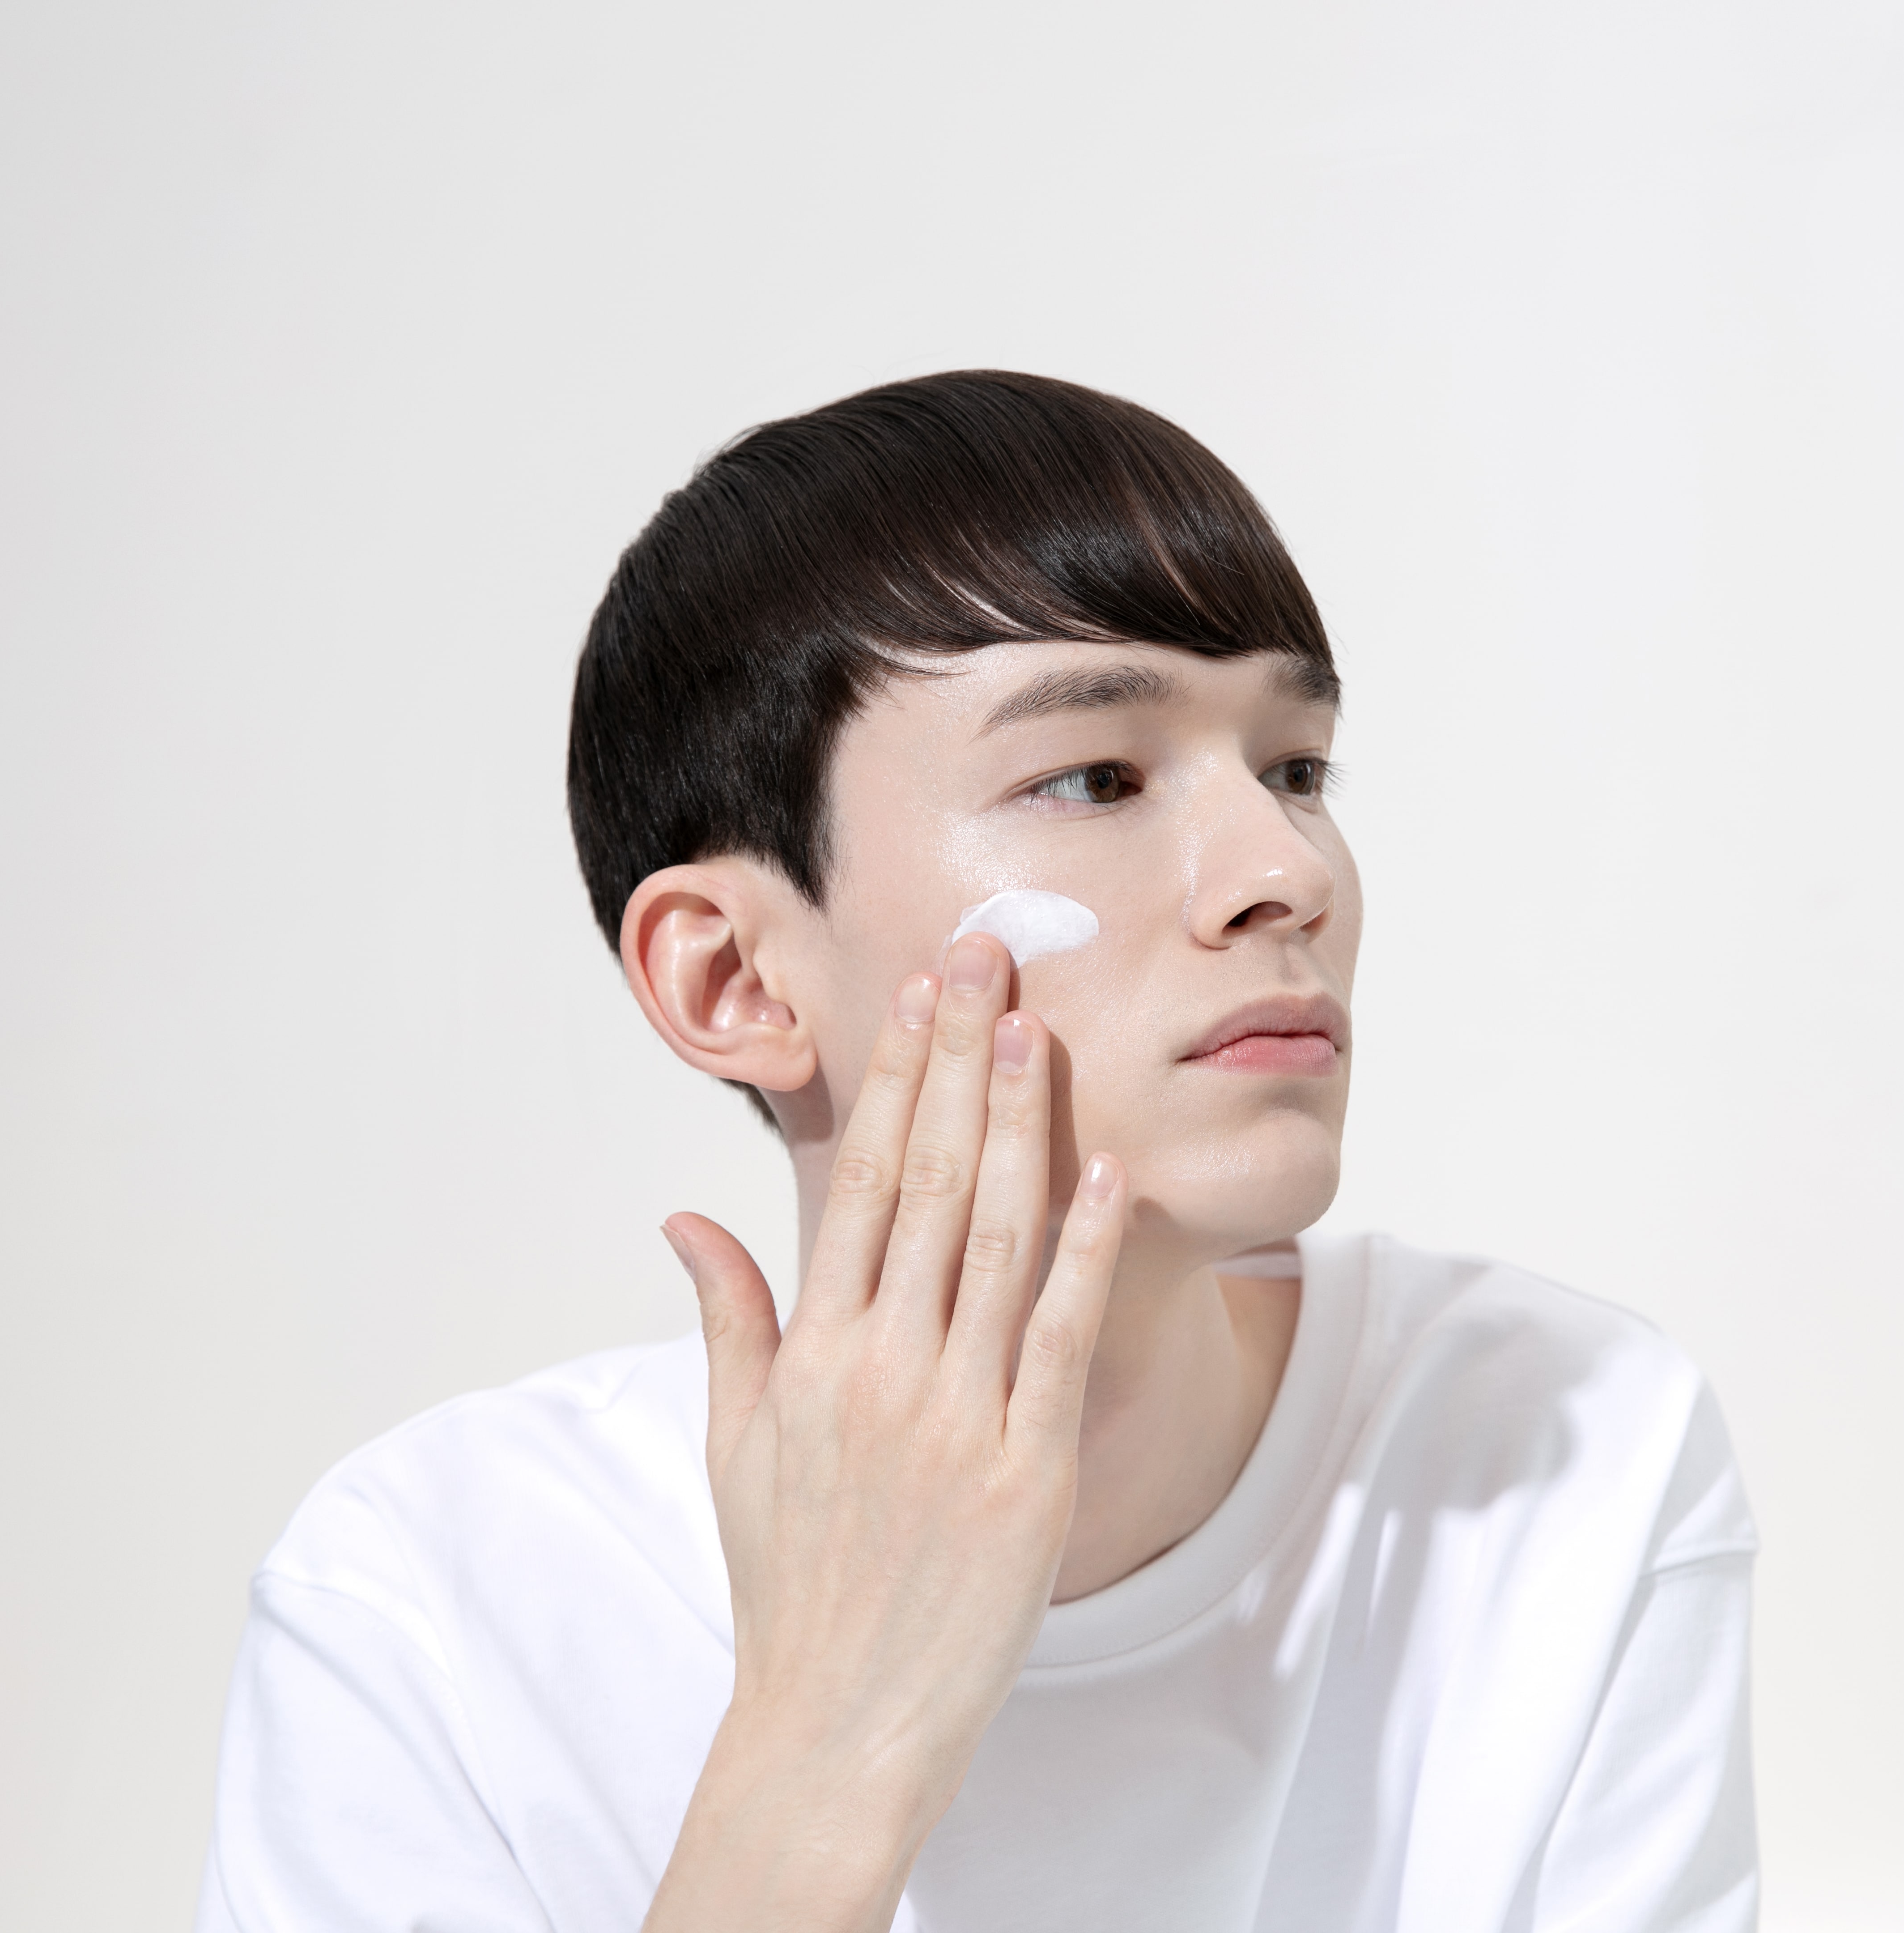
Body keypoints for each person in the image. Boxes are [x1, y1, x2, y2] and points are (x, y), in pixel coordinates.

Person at [196, 371, 1760, 1933]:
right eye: (1095, 779)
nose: (1287, 873)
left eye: (1296, 768)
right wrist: (826, 1749)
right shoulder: (433, 1604)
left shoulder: (1556, 1452)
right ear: (733, 980)